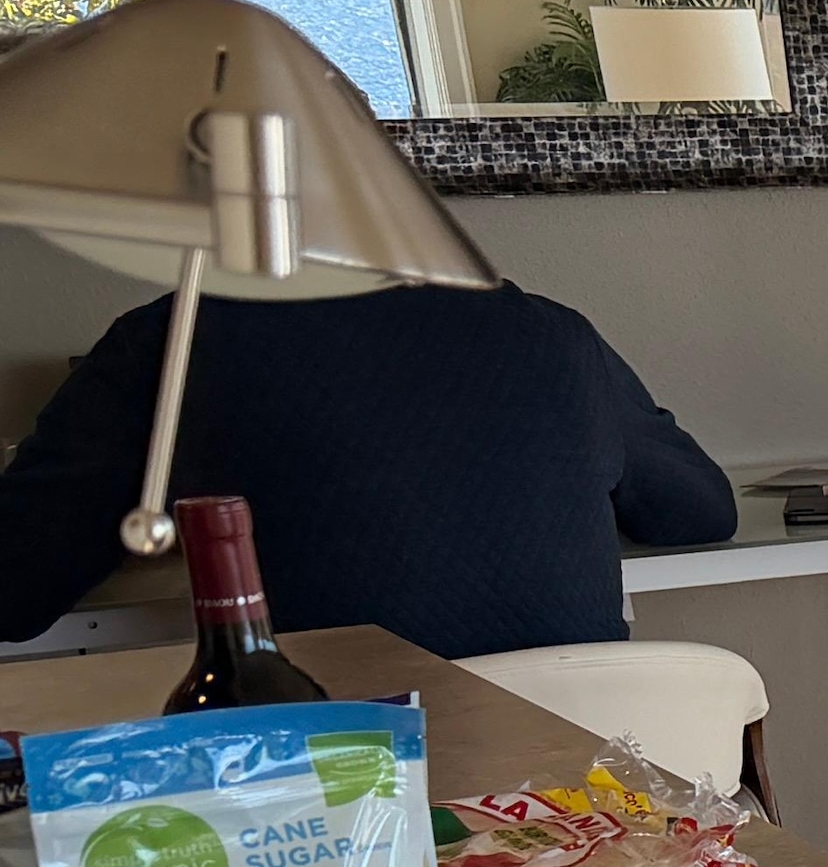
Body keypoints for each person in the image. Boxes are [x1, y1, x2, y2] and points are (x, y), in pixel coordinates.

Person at [0, 277, 737, 655]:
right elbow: (699, 511)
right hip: (583, 803)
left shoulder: (172, 339)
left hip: (348, 803)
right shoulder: (547, 329)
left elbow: (15, 590)